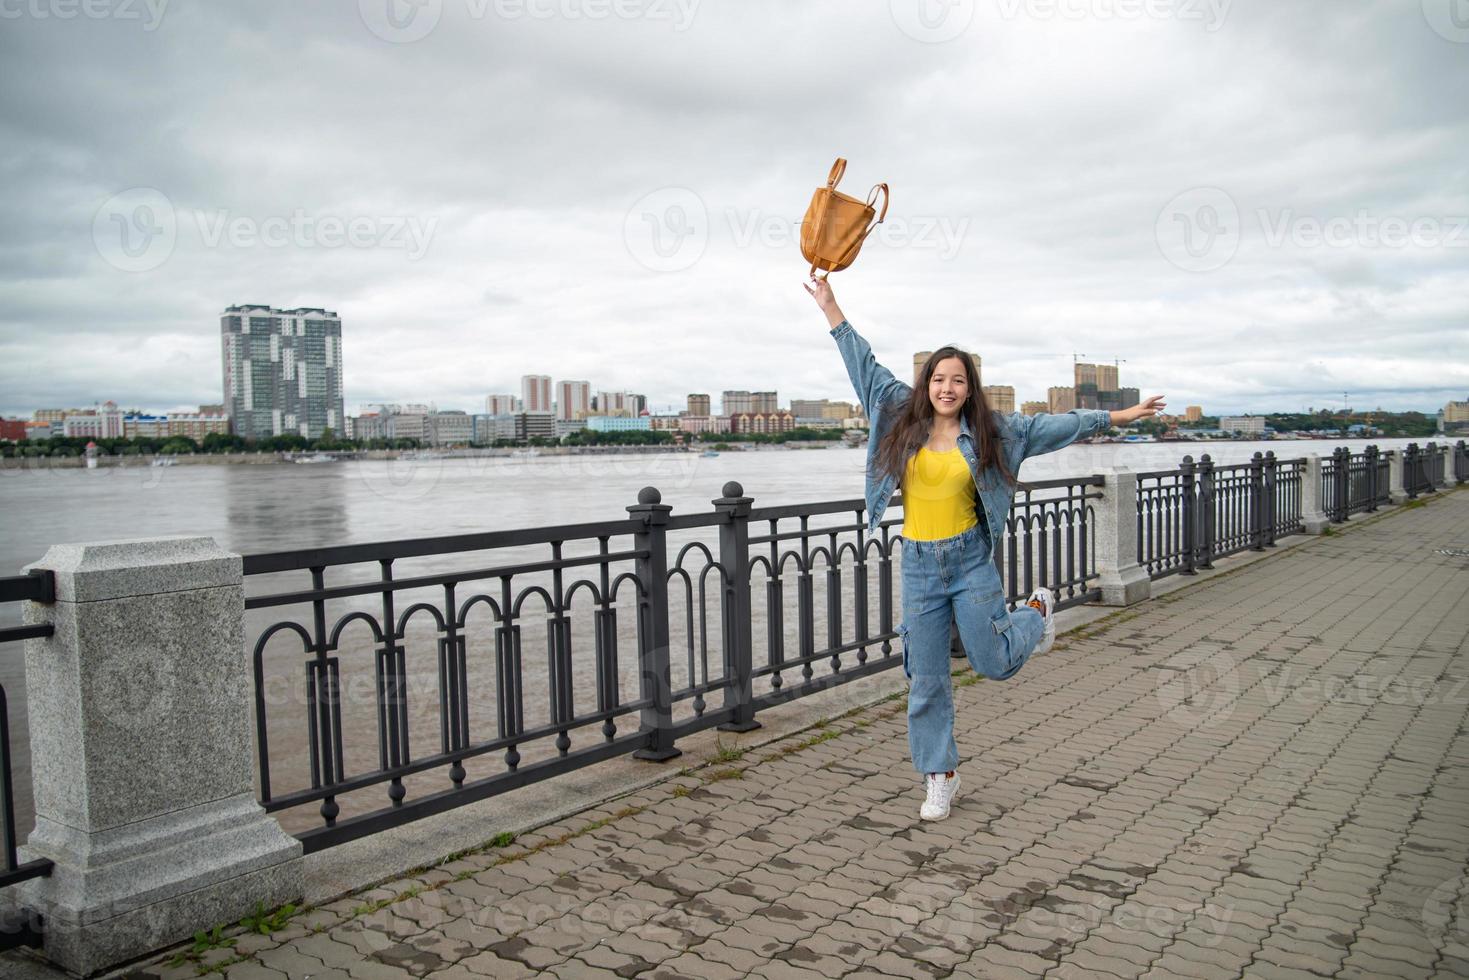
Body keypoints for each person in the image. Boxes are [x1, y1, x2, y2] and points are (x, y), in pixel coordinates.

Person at [805, 276, 1165, 820]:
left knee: (993, 662)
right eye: (939, 379)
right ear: (926, 383)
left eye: (957, 381)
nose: (946, 388)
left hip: (970, 559)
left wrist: (1114, 416)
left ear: (970, 388)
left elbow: (1055, 425)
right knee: (925, 678)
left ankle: (1036, 614)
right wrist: (830, 305)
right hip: (920, 565)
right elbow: (862, 360)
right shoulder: (897, 411)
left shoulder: (996, 431)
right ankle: (940, 774)